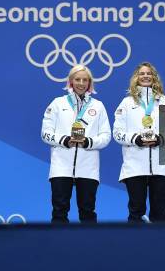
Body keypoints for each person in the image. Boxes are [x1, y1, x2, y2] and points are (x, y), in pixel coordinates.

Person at [41, 64, 111, 223]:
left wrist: (88, 142)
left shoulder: (98, 106)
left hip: (88, 168)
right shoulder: (58, 103)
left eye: (85, 80)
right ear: (71, 81)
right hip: (61, 166)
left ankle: (89, 247)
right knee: (59, 212)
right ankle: (58, 246)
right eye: (77, 79)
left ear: (89, 83)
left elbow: (106, 136)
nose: (81, 83)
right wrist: (65, 140)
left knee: (87, 212)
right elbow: (45, 133)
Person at [113, 62, 165, 223]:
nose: (146, 76)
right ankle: (134, 247)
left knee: (159, 212)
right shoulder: (127, 103)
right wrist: (136, 139)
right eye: (142, 73)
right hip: (134, 166)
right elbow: (117, 133)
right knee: (136, 212)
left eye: (149, 73)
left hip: (162, 165)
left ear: (154, 77)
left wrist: (160, 139)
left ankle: (161, 247)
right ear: (136, 78)